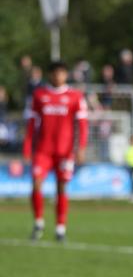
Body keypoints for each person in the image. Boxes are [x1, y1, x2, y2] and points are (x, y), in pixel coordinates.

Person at [22, 61, 88, 242]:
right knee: (36, 183)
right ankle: (38, 223)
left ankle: (60, 228)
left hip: (64, 152)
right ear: (50, 75)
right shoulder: (39, 95)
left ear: (66, 75)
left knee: (62, 187)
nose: (58, 76)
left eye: (62, 73)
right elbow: (31, 124)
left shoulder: (75, 96)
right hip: (43, 151)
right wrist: (27, 147)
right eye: (55, 73)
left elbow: (82, 125)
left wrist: (81, 147)